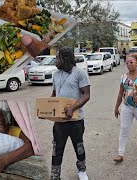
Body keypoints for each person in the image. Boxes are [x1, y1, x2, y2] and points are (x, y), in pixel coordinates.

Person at [50, 48, 90, 180]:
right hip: (60, 122)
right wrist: (46, 109)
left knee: (78, 146)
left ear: (65, 59)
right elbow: (54, 95)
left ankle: (82, 171)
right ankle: (55, 175)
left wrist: (72, 108)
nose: (55, 61)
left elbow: (86, 95)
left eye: (57, 58)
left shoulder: (80, 73)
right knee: (57, 149)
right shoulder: (55, 74)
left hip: (76, 121)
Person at [113, 53, 137, 162]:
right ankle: (120, 153)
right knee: (124, 128)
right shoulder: (123, 77)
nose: (129, 64)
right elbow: (121, 93)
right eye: (127, 63)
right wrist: (116, 107)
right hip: (126, 106)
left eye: (131, 62)